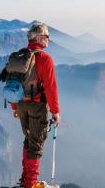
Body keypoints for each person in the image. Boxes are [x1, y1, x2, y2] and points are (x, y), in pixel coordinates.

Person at [10, 22, 60, 188]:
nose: (48, 40)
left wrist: (14, 107)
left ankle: (26, 180)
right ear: (38, 38)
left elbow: (12, 83)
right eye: (46, 37)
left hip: (21, 104)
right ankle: (30, 183)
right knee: (36, 143)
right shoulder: (44, 59)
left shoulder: (19, 57)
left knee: (29, 139)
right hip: (36, 106)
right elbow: (51, 88)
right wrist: (55, 112)